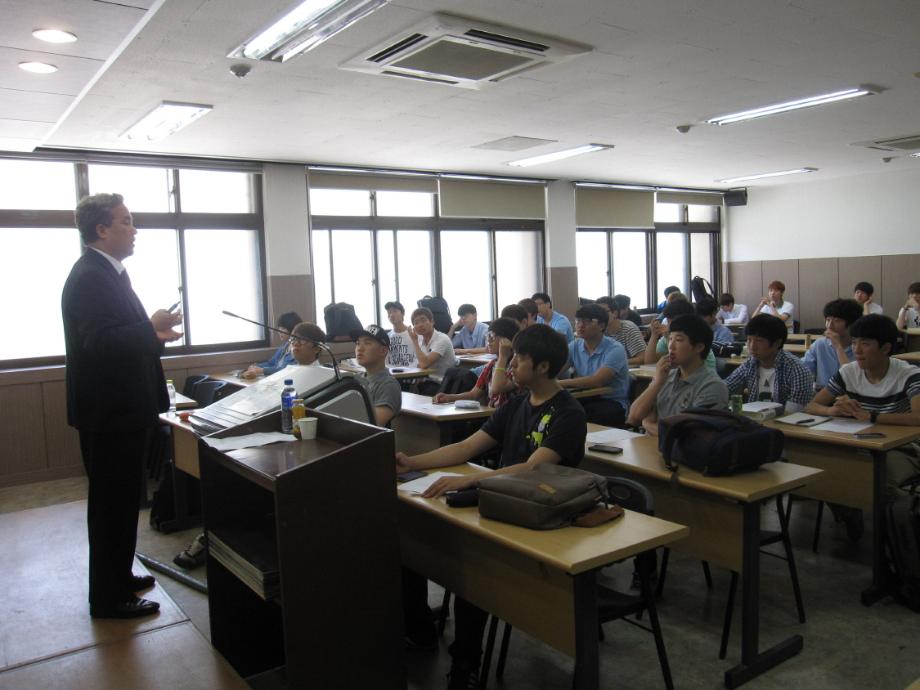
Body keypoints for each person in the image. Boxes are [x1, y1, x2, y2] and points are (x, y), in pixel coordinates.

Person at [396, 324, 587, 688]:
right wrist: (412, 462)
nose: (510, 364)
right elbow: (467, 447)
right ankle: (418, 630)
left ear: (543, 366)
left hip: (544, 514)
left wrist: (470, 480)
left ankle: (466, 664)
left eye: (519, 358)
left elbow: (533, 469)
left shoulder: (568, 413)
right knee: (412, 538)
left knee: (476, 570)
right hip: (503, 500)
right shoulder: (516, 405)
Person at [62, 193, 183, 619]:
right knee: (110, 506)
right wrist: (150, 329)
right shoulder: (90, 277)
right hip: (109, 413)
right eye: (126, 221)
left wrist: (155, 333)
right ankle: (108, 597)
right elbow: (99, 343)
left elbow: (124, 334)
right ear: (101, 229)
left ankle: (119, 575)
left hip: (124, 410)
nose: (134, 230)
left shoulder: (112, 273)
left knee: (124, 502)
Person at [805, 314, 920, 539]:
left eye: (865, 344)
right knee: (824, 469)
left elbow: (918, 417)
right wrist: (832, 411)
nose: (857, 350)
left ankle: (898, 541)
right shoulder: (849, 372)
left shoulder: (909, 374)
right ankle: (849, 512)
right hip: (859, 444)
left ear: (886, 348)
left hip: (903, 449)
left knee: (879, 481)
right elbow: (812, 405)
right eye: (855, 342)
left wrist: (872, 416)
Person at [627, 315, 728, 435]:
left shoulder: (712, 386)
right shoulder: (665, 376)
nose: (671, 346)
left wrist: (647, 424)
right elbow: (633, 418)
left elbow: (687, 435)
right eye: (670, 339)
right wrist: (657, 383)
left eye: (679, 340)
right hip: (649, 444)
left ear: (699, 347)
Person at [725, 314, 814, 412]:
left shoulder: (797, 370)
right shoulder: (750, 364)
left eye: (759, 341)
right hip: (753, 419)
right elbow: (726, 388)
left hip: (784, 421)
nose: (752, 346)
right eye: (749, 339)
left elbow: (793, 413)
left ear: (777, 343)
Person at [560, 304, 630, 427]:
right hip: (585, 397)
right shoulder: (574, 346)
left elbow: (597, 381)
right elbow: (556, 369)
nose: (580, 325)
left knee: (580, 417)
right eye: (578, 321)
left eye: (587, 321)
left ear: (601, 326)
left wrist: (559, 383)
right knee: (561, 412)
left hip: (611, 401)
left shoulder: (615, 349)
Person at [433, 317, 520, 408]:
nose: (488, 340)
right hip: (491, 414)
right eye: (488, 336)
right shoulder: (491, 365)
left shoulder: (516, 367)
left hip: (509, 414)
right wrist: (449, 397)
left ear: (506, 341)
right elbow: (473, 395)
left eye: (492, 336)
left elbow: (496, 388)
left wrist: (503, 357)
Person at [803, 298, 862, 389]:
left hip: (851, 394)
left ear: (852, 324)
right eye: (828, 320)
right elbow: (804, 370)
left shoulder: (861, 348)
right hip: (822, 393)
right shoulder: (820, 344)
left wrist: (838, 347)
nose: (830, 326)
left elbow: (852, 380)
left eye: (837, 321)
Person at [644, 298, 718, 370]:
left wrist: (669, 338)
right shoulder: (669, 336)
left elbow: (682, 367)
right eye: (668, 321)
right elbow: (649, 362)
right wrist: (654, 335)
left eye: (672, 321)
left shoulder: (695, 337)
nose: (669, 325)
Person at [351, 324, 402, 427]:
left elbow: (371, 425)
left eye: (367, 343)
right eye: (357, 343)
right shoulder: (356, 379)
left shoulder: (388, 385)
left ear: (383, 351)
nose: (359, 348)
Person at [408, 307, 458, 395]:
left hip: (442, 384)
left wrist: (415, 342)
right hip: (426, 381)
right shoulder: (420, 341)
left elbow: (424, 364)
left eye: (423, 320)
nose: (420, 325)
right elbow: (418, 364)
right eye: (416, 323)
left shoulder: (442, 339)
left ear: (432, 321)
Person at [241, 311, 301, 379]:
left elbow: (284, 370)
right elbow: (271, 363)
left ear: (293, 330)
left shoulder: (298, 350)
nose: (279, 331)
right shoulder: (285, 346)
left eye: (283, 328)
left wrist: (262, 370)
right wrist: (255, 367)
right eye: (279, 328)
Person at [595, 296, 645, 364]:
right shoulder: (597, 330)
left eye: (603, 312)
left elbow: (643, 358)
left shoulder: (628, 329)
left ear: (615, 313)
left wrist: (614, 363)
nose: (599, 316)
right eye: (596, 313)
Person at [384, 301, 418, 368]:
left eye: (395, 311)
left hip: (412, 372)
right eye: (389, 312)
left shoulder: (414, 334)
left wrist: (408, 370)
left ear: (402, 313)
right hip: (393, 372)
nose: (391, 315)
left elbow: (419, 358)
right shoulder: (387, 337)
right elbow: (385, 361)